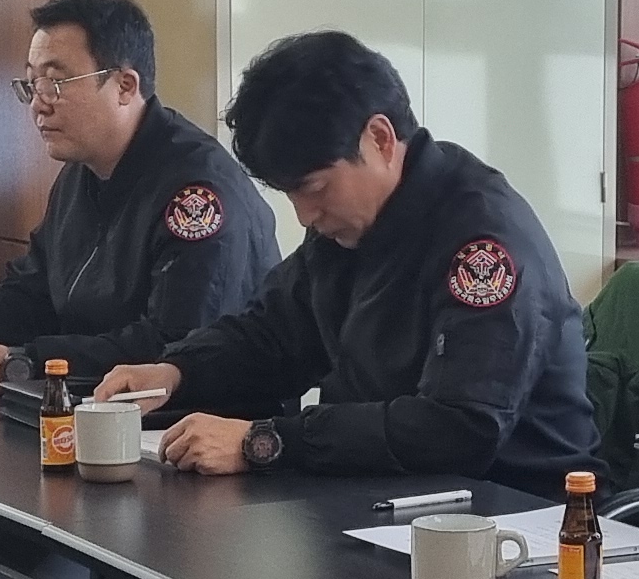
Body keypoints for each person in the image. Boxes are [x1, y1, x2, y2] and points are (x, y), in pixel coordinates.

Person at [94, 31, 595, 491]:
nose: (305, 215)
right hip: (380, 495)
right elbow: (272, 336)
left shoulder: (483, 248)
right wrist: (176, 372)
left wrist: (265, 442)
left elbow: (459, 427)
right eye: (291, 195)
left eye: (314, 188)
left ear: (379, 139)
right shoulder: (351, 226)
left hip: (515, 512)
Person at [0, 0, 275, 391]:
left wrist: (19, 364)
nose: (38, 103)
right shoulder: (82, 172)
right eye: (31, 84)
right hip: (89, 403)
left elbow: (172, 348)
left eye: (56, 83)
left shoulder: (197, 196)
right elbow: (33, 297)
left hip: (197, 420)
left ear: (125, 86)